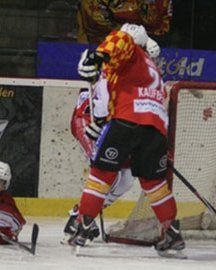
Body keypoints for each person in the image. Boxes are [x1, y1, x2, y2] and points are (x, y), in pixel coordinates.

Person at [70, 23, 184, 256]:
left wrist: (99, 56)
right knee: (155, 184)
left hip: (126, 121)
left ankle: (82, 228)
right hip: (155, 129)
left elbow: (120, 40)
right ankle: (172, 232)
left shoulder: (129, 51)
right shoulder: (154, 70)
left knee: (100, 176)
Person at [62, 37, 162, 244]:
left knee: (125, 179)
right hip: (88, 120)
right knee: (108, 172)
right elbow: (106, 106)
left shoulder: (139, 77)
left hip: (109, 124)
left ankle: (81, 215)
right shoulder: (117, 68)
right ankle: (79, 220)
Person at [0, 161, 26, 245]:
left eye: (0, 181)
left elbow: (18, 223)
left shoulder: (6, 201)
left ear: (5, 184)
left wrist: (10, 233)